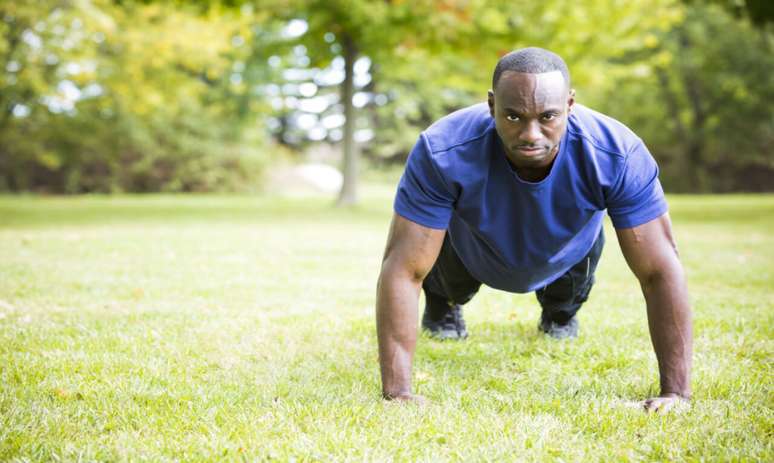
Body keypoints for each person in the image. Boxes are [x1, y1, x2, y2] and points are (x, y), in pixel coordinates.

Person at [375, 47, 692, 412]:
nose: (530, 134)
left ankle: (560, 313)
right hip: (471, 247)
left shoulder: (617, 153)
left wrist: (675, 394)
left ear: (570, 105)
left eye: (548, 116)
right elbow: (403, 269)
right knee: (436, 261)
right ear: (491, 105)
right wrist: (398, 393)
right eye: (512, 116)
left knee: (563, 307)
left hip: (568, 249)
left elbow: (659, 270)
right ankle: (444, 306)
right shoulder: (442, 149)